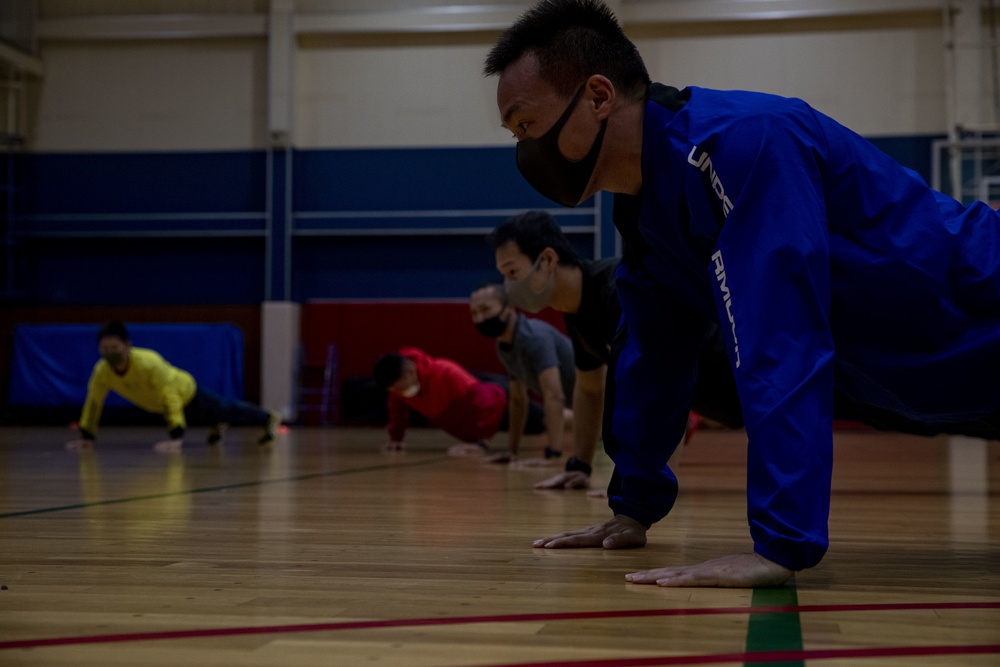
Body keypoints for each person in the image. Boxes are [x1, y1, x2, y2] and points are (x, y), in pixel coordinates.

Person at [484, 0, 1000, 588]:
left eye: (526, 125)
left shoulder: (740, 143)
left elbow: (780, 338)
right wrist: (633, 507)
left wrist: (779, 543)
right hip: (950, 380)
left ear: (599, 96)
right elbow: (653, 360)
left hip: (982, 304)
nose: (525, 150)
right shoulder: (647, 217)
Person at [485, 211, 742, 491]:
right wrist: (580, 466)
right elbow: (589, 389)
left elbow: (665, 387)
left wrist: (642, 491)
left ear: (547, 260)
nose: (508, 287)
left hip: (745, 381)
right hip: (725, 402)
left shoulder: (619, 290)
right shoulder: (576, 311)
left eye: (512, 272)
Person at [66, 321, 281, 453]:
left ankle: (268, 418)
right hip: (162, 407)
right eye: (104, 348)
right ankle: (217, 424)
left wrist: (176, 436)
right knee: (213, 415)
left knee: (227, 410)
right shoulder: (101, 371)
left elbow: (170, 395)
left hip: (186, 393)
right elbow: (94, 402)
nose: (110, 353)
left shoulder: (148, 362)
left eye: (115, 347)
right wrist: (87, 436)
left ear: (128, 346)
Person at [469, 283, 576, 464]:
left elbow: (554, 395)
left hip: (612, 405)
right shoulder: (504, 346)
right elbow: (518, 400)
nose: (479, 318)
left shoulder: (534, 338)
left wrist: (553, 455)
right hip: (585, 408)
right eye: (474, 313)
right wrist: (512, 451)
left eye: (485, 310)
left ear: (509, 307)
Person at [374, 346, 547, 454]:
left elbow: (485, 402)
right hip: (479, 426)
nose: (398, 393)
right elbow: (396, 410)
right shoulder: (399, 391)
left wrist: (481, 442)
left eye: (399, 388)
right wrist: (396, 439)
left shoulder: (445, 372)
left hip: (499, 408)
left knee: (550, 420)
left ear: (411, 371)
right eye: (394, 391)